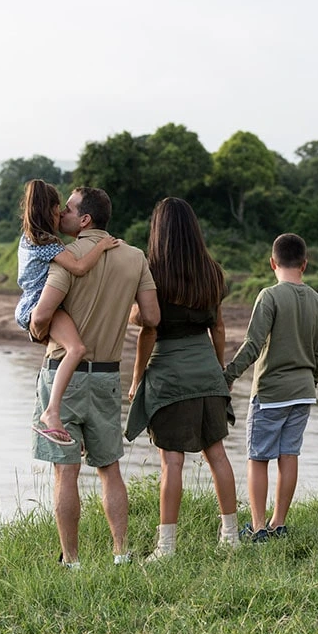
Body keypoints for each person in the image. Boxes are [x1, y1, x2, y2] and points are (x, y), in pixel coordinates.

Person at [29, 186, 159, 568]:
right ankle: (120, 552)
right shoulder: (135, 257)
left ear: (85, 219)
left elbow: (41, 315)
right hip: (107, 376)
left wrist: (38, 334)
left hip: (63, 378)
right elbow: (151, 318)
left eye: (68, 209)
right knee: (110, 468)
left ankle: (71, 560)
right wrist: (120, 313)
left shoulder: (65, 259)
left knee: (65, 472)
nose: (61, 215)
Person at [125, 197, 240, 559]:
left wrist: (136, 378)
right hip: (207, 369)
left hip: (169, 375)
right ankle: (232, 537)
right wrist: (219, 372)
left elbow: (147, 328)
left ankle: (167, 548)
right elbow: (218, 327)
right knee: (217, 454)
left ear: (158, 232)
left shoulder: (151, 273)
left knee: (171, 461)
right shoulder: (212, 271)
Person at [223, 233, 318, 542]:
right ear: (304, 264)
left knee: (258, 457)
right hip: (304, 391)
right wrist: (312, 381)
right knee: (289, 455)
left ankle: (257, 528)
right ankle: (278, 524)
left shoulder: (269, 296)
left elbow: (253, 345)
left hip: (270, 393)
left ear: (272, 263)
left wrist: (229, 376)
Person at [15, 178, 119, 446]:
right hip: (39, 304)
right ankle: (52, 412)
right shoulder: (48, 243)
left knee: (68, 350)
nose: (61, 213)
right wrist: (102, 245)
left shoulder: (29, 238)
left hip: (27, 304)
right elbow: (80, 267)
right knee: (76, 349)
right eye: (58, 208)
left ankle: (62, 416)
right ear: (47, 210)